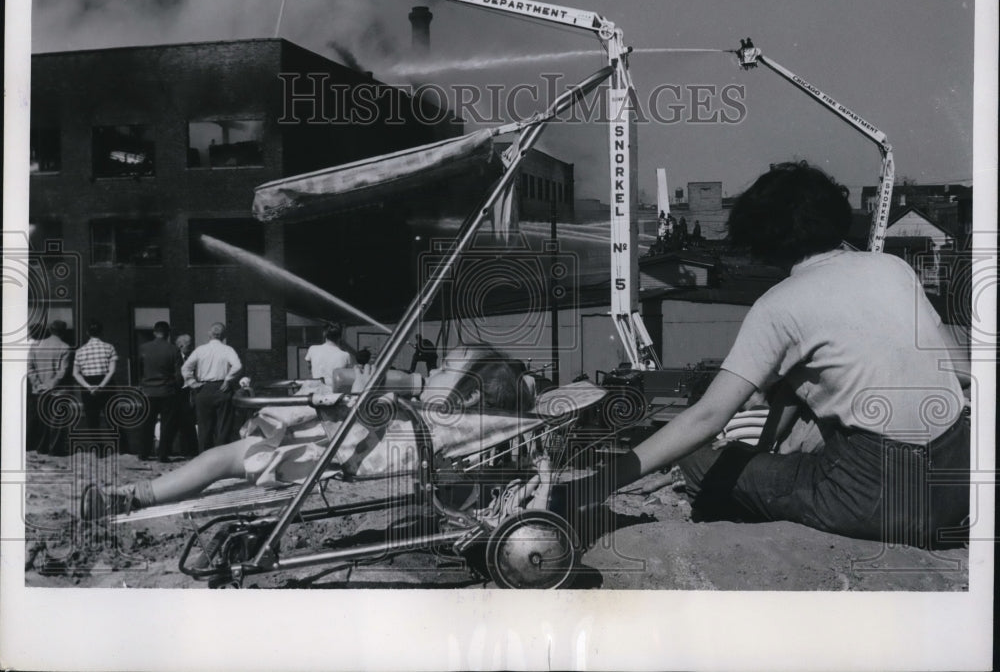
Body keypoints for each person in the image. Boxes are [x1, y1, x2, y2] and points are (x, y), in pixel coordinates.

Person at [580, 162, 971, 548]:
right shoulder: (893, 268)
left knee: (700, 463)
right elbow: (961, 371)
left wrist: (593, 485)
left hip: (877, 499)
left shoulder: (779, 304)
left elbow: (707, 416)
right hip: (956, 480)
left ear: (761, 238)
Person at [82, 345, 537, 517]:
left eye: (447, 368)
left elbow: (369, 409)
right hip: (328, 434)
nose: (437, 368)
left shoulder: (433, 419)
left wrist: (363, 384)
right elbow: (368, 394)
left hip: (331, 443)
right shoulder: (430, 409)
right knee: (219, 459)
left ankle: (135, 495)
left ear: (473, 395)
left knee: (221, 460)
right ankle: (135, 495)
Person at [181, 323, 242, 452]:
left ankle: (204, 459)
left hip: (203, 389)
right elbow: (237, 366)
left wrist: (192, 383)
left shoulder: (200, 350)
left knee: (204, 428)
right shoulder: (228, 350)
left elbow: (185, 368)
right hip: (222, 389)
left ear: (209, 334)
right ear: (224, 336)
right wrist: (228, 379)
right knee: (223, 428)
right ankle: (220, 459)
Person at [137, 321, 181, 462]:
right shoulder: (173, 350)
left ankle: (144, 453)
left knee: (147, 423)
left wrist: (142, 384)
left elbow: (138, 369)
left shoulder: (143, 348)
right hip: (167, 391)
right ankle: (163, 454)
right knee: (166, 424)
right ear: (168, 333)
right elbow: (178, 374)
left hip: (148, 391)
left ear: (154, 332)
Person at [26, 320, 72, 454]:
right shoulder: (65, 347)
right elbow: (62, 372)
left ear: (51, 330)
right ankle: (55, 450)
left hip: (39, 390)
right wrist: (49, 385)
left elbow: (30, 368)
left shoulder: (35, 346)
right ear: (63, 331)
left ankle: (42, 447)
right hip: (58, 391)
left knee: (43, 420)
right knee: (57, 421)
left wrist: (38, 384)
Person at [72, 320, 118, 433]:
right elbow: (111, 371)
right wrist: (101, 386)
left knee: (92, 420)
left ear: (87, 333)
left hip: (87, 383)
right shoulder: (109, 348)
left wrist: (89, 387)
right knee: (112, 418)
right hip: (106, 383)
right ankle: (120, 448)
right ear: (101, 332)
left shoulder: (80, 351)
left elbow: (75, 373)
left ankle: (97, 447)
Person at [172, 334, 199, 458]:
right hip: (176, 393)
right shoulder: (174, 357)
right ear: (180, 345)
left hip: (188, 394)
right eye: (189, 345)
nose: (192, 347)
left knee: (188, 423)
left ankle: (190, 451)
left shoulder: (191, 359)